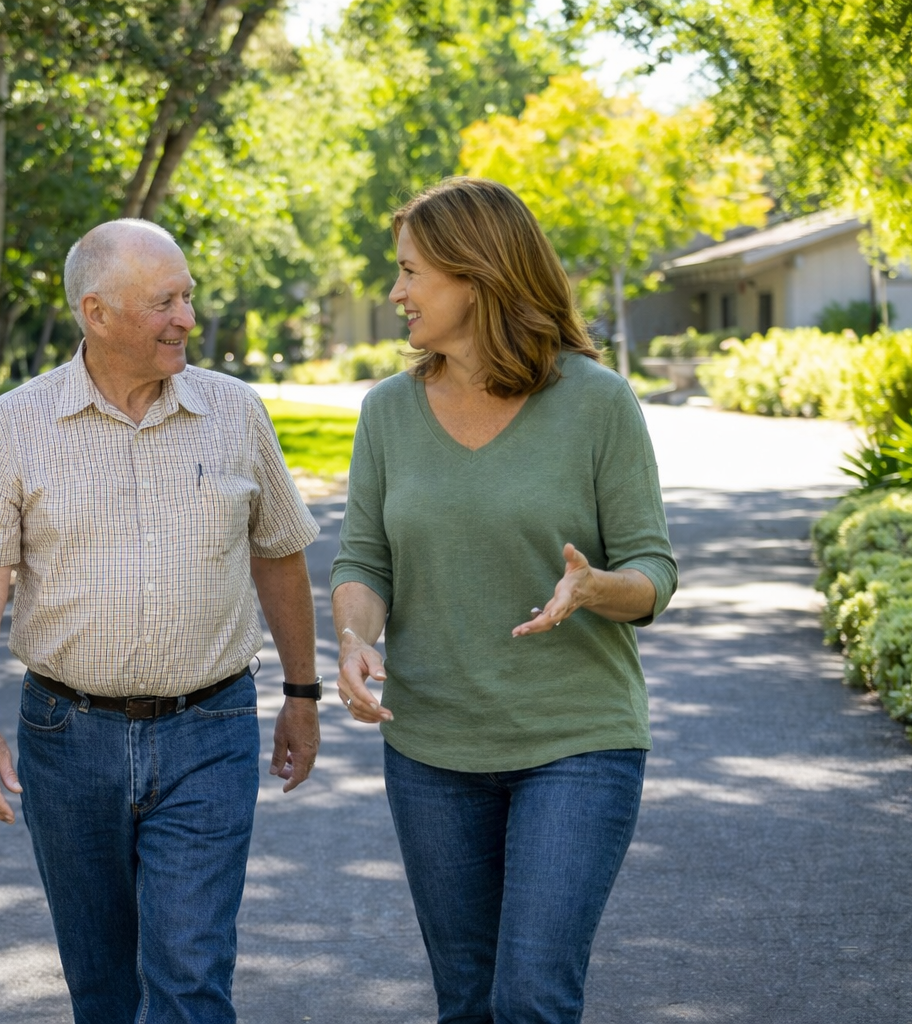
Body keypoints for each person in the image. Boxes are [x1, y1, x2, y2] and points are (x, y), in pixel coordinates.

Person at [0, 218, 323, 1024]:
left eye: (187, 296)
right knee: (104, 986)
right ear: (97, 313)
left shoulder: (234, 412)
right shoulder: (12, 425)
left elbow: (279, 555)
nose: (187, 318)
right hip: (65, 738)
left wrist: (302, 692)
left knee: (189, 977)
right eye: (164, 302)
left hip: (209, 730)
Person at [330, 178, 677, 1024]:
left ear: (477, 276)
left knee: (530, 997)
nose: (396, 293)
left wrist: (597, 587)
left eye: (411, 273)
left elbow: (652, 572)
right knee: (467, 1001)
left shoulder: (597, 402)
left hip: (577, 741)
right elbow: (364, 561)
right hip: (432, 750)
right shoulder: (387, 412)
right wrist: (353, 636)